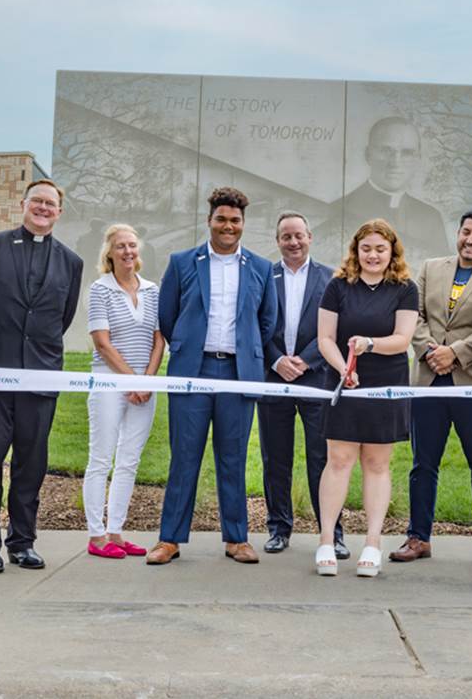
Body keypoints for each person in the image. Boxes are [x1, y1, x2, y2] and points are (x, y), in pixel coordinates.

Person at [0, 178, 84, 574]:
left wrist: (36, 352)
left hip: (41, 376)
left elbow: (62, 318)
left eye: (51, 203)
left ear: (59, 212)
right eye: (37, 201)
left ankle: (23, 542)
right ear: (24, 204)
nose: (43, 208)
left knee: (32, 463)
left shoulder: (71, 262)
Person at [147, 187, 277, 566]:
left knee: (233, 458)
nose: (228, 226)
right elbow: (168, 316)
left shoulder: (260, 268)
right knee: (184, 457)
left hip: (238, 374)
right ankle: (169, 539)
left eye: (235, 220)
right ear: (209, 221)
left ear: (243, 224)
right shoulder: (183, 261)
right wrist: (188, 347)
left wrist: (245, 352)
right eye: (221, 219)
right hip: (194, 371)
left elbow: (265, 322)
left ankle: (237, 538)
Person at [391, 210, 472, 568]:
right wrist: (431, 351)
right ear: (457, 234)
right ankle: (418, 537)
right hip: (428, 381)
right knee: (422, 464)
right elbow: (415, 316)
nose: (470, 239)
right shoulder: (430, 268)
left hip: (471, 384)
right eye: (465, 232)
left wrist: (455, 354)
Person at [315, 218, 418, 578]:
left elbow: (403, 339)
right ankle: (326, 540)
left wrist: (370, 344)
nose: (373, 255)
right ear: (356, 251)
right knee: (339, 459)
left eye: (380, 248)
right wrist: (345, 367)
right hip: (345, 378)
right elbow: (325, 337)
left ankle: (373, 543)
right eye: (366, 248)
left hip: (386, 379)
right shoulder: (338, 286)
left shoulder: (405, 288)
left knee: (376, 462)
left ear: (392, 252)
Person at [257, 211, 347, 558]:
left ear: (310, 236)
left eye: (299, 235)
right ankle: (279, 528)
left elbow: (335, 330)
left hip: (317, 380)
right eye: (286, 237)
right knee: (275, 458)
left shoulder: (332, 279)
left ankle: (331, 532)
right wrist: (277, 359)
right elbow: (253, 324)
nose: (293, 242)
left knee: (322, 459)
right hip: (273, 378)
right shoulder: (264, 275)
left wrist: (306, 360)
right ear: (277, 240)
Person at [83, 224, 164, 559]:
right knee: (101, 458)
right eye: (121, 246)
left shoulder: (152, 290)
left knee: (129, 460)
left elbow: (160, 340)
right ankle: (96, 535)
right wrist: (132, 381)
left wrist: (146, 380)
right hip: (108, 382)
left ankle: (116, 531)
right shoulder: (100, 290)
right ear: (109, 253)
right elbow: (102, 343)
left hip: (144, 385)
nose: (128, 251)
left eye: (132, 245)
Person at [332, 117, 449, 261]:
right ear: (368, 155)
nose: (396, 162)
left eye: (406, 152)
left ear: (418, 158)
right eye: (386, 150)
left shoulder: (430, 218)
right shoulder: (338, 211)